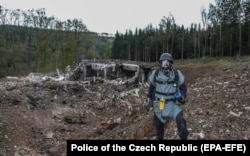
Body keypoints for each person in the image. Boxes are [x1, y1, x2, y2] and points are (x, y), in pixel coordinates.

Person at [143, 52, 189, 140]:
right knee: (159, 126)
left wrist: (181, 95)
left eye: (168, 62)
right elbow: (151, 88)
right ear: (160, 63)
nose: (165, 65)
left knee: (181, 120)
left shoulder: (176, 74)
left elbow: (183, 88)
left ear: (171, 63)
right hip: (160, 104)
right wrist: (149, 99)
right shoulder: (156, 74)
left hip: (173, 104)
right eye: (164, 62)